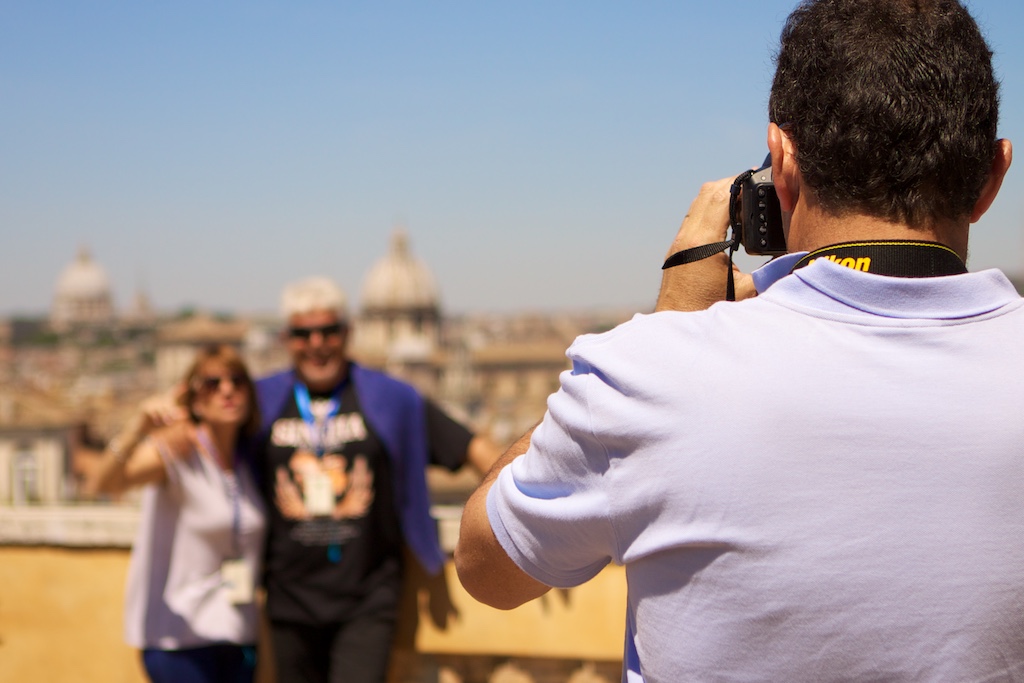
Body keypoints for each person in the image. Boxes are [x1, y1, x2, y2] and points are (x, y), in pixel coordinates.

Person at [455, 1, 1022, 681]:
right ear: (993, 174)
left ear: (780, 164)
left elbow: (486, 565)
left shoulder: (653, 374)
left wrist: (672, 328)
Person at [255, 276, 498, 683]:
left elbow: (473, 448)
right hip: (286, 600)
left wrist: (532, 517)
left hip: (368, 602)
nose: (317, 343)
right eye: (303, 333)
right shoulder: (260, 401)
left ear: (348, 332)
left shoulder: (391, 397)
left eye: (328, 330)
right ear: (287, 339)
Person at [87, 345, 266, 683]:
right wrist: (137, 429)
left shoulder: (246, 465)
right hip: (178, 640)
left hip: (237, 635)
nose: (227, 390)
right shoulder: (174, 453)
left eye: (237, 381)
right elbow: (102, 482)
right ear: (194, 400)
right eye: (212, 384)